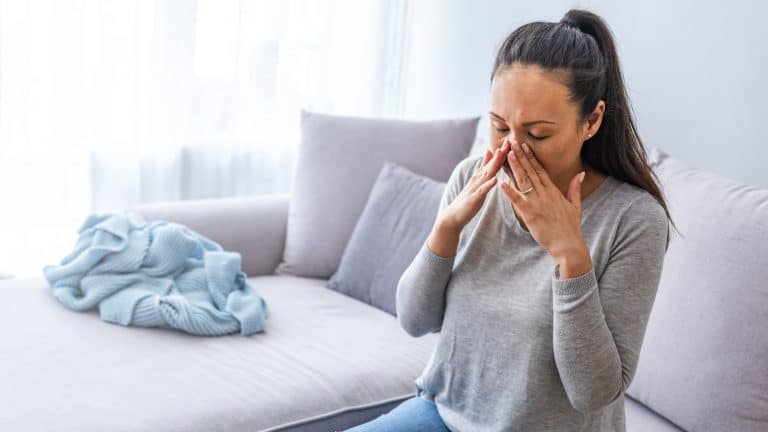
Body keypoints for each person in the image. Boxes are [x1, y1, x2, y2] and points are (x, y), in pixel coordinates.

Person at [342, 8, 676, 432]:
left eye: (538, 135)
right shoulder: (470, 177)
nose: (513, 150)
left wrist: (570, 255)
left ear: (591, 121)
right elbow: (414, 320)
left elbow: (592, 393)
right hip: (444, 414)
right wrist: (445, 231)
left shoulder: (634, 219)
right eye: (499, 127)